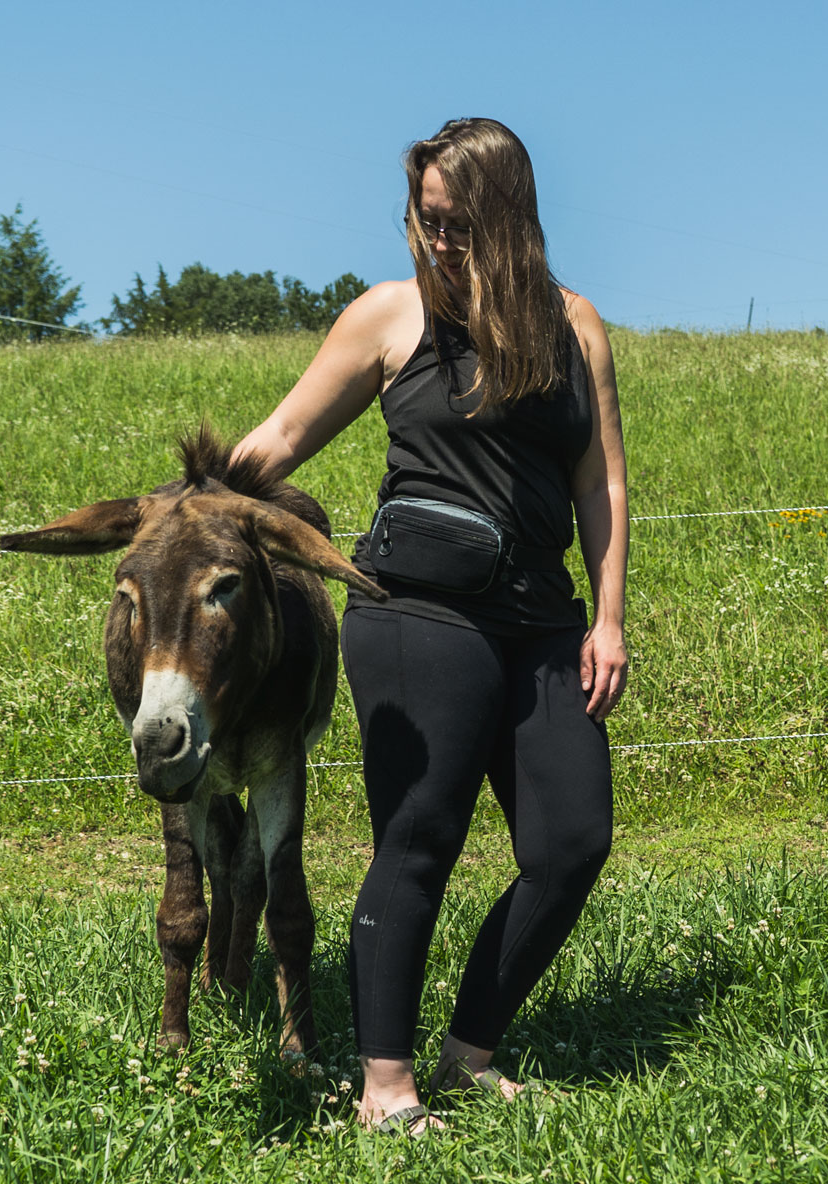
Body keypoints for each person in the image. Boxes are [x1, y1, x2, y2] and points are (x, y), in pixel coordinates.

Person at [231, 116, 628, 1133]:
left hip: (541, 621)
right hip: (417, 611)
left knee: (571, 837)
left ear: (507, 219)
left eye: (455, 223)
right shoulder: (388, 318)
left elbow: (601, 484)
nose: (436, 240)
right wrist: (196, 501)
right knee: (419, 837)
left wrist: (608, 616)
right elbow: (281, 433)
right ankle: (384, 1084)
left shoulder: (573, 325)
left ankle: (468, 1050)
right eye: (425, 219)